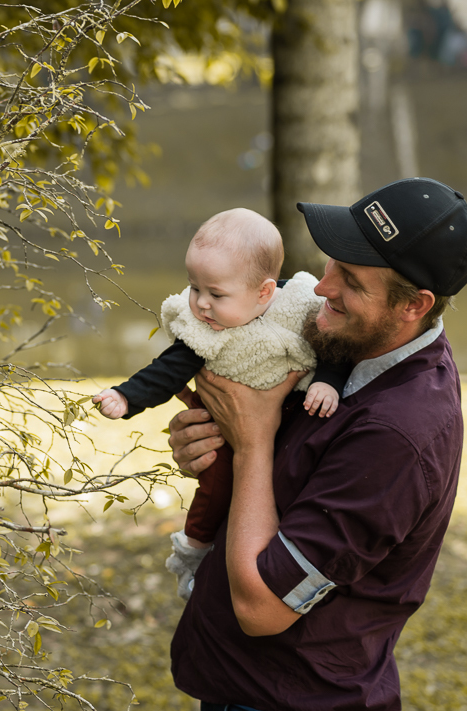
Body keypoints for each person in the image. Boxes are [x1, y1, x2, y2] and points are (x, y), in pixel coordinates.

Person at [166, 177, 467, 711]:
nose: (321, 287)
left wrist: (253, 442)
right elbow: (277, 482)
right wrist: (215, 443)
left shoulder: (398, 434)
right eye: (333, 262)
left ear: (414, 305)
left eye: (352, 281)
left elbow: (263, 607)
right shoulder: (347, 343)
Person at [91, 208, 349, 598]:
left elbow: (333, 346)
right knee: (217, 481)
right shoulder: (205, 330)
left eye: (215, 294)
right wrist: (126, 396)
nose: (201, 304)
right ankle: (193, 550)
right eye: (194, 288)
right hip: (227, 429)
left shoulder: (301, 307)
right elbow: (168, 369)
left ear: (264, 292)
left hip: (294, 423)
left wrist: (328, 381)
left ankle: (273, 563)